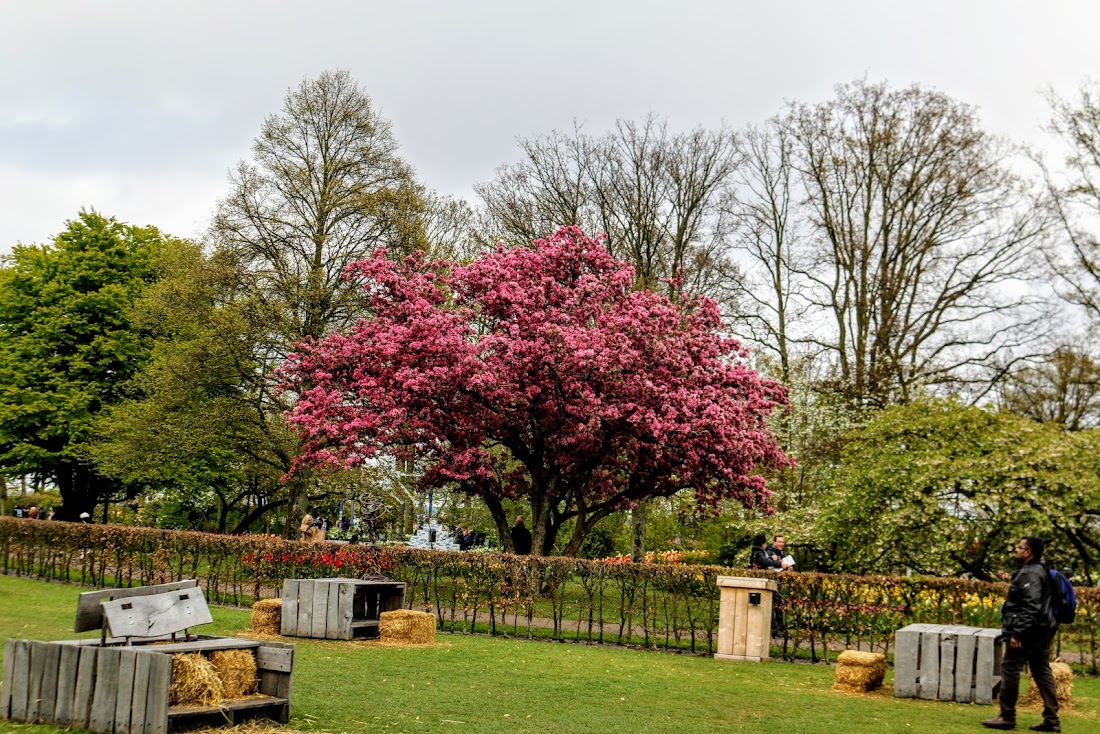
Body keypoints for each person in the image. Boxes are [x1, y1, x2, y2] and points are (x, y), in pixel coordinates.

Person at [981, 536, 1060, 732]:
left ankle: (1007, 716)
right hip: (1043, 629)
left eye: (1019, 547)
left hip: (1030, 631)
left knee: (1010, 668)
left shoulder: (1031, 574)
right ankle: (1051, 720)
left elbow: (1031, 607)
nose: (1015, 550)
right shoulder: (1040, 570)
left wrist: (1018, 634)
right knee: (1041, 672)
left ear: (1028, 552)